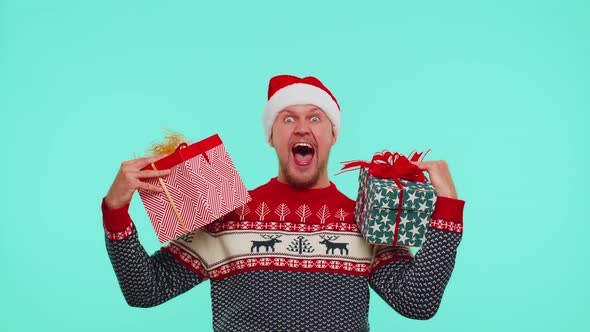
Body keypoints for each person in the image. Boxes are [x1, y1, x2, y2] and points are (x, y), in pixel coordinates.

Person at [102, 74, 465, 331]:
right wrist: (116, 212)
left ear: (333, 134)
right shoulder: (226, 216)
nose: (302, 128)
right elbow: (146, 291)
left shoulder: (365, 220)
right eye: (288, 118)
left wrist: (446, 207)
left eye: (315, 118)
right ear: (272, 137)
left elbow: (417, 303)